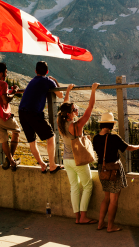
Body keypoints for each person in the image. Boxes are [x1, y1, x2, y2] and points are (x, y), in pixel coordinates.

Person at [93, 112, 139, 233]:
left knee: (106, 198)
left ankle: (100, 223)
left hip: (102, 169)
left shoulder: (95, 138)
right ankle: (110, 226)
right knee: (114, 199)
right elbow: (128, 147)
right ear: (111, 125)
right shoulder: (113, 137)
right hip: (114, 169)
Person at [57, 82, 99, 224]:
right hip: (77, 160)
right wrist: (93, 90)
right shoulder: (77, 125)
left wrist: (68, 91)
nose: (76, 110)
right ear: (69, 114)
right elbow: (90, 107)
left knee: (74, 187)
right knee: (87, 186)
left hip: (66, 160)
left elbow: (64, 105)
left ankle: (77, 217)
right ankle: (83, 217)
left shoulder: (61, 122)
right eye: (74, 109)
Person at [18, 61, 63, 173]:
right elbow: (60, 95)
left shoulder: (32, 81)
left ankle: (43, 165)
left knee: (32, 141)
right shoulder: (48, 81)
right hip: (33, 112)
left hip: (22, 112)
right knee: (51, 136)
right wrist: (55, 81)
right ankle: (52, 165)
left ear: (35, 71)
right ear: (47, 72)